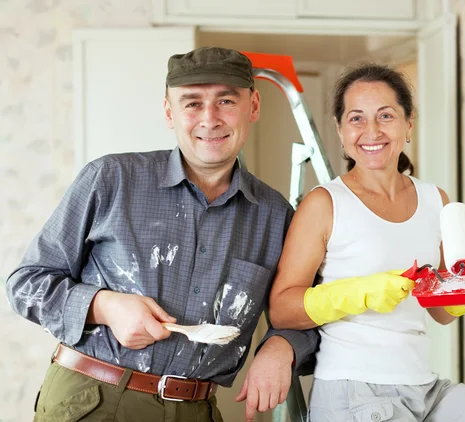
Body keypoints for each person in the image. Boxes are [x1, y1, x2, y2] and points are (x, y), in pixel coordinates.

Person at [6, 46, 317, 422]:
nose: (210, 118)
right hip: (91, 402)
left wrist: (282, 346)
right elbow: (26, 284)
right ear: (170, 113)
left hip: (196, 410)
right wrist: (105, 306)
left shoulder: (276, 216)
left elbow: (311, 311)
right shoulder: (110, 179)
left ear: (253, 107)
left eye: (226, 101)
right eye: (191, 103)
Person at [268, 63, 465, 422]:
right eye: (356, 118)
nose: (371, 131)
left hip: (426, 388)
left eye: (385, 115)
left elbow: (439, 313)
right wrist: (359, 293)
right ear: (341, 131)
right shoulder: (325, 203)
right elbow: (282, 307)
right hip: (354, 392)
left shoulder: (437, 199)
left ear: (408, 124)